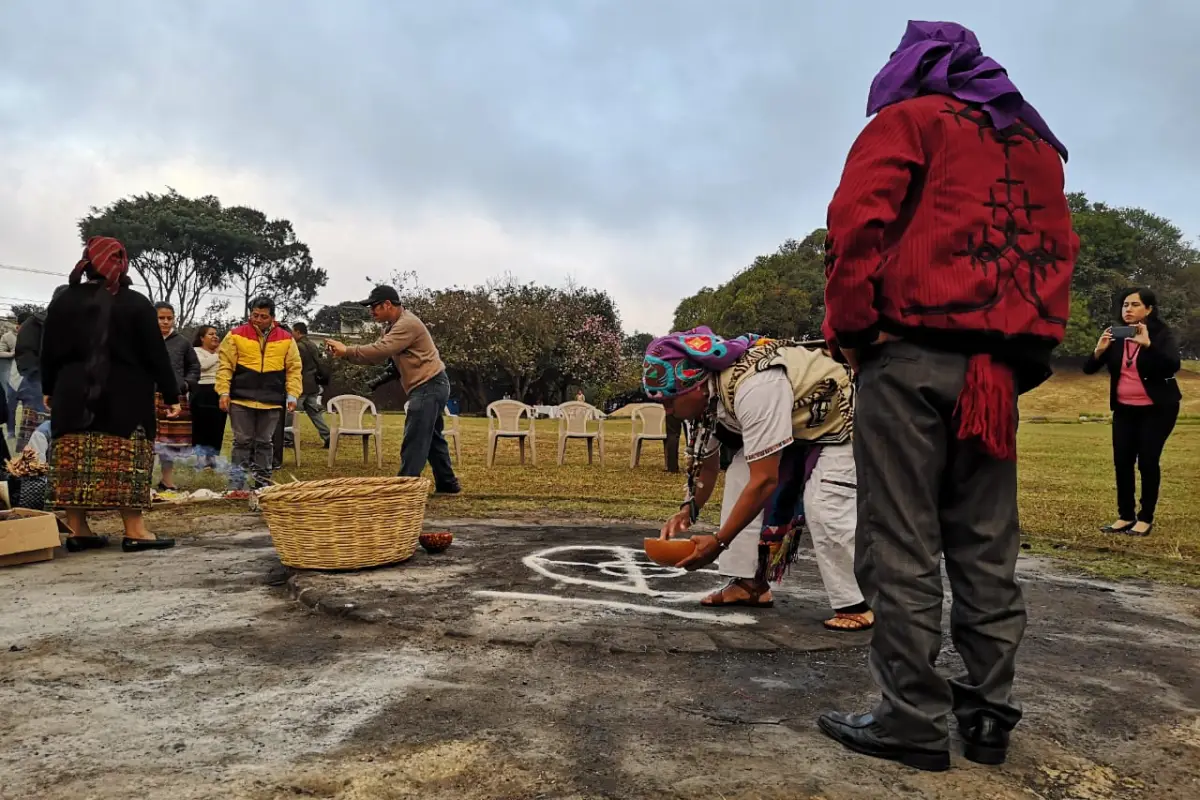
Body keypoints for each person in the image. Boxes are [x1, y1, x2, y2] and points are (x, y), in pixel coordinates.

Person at [816, 21, 1078, 772]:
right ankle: (989, 714)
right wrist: (1024, 347)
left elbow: (855, 225)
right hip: (995, 373)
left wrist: (854, 329)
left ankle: (912, 719)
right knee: (986, 545)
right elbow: (1055, 248)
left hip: (911, 355)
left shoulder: (908, 122)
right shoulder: (1036, 144)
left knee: (899, 541)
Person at [647, 327, 872, 632]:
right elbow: (709, 467)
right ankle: (748, 583)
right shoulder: (706, 404)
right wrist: (689, 509)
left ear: (695, 385)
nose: (668, 409)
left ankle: (857, 602)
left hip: (841, 421)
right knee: (740, 473)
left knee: (825, 503)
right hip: (796, 428)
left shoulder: (755, 385)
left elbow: (765, 480)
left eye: (670, 400)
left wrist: (718, 542)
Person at [41, 236, 180, 552]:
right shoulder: (136, 304)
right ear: (122, 264)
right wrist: (171, 395)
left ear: (88, 262)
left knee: (74, 460)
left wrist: (49, 388)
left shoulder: (64, 300)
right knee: (127, 460)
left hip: (72, 395)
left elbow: (48, 351)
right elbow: (155, 354)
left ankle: (79, 529)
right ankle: (134, 530)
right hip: (126, 398)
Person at [325, 285, 460, 493]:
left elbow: (380, 350)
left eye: (374, 307)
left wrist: (347, 351)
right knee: (432, 438)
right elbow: (382, 356)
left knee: (415, 437)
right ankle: (448, 484)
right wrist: (350, 355)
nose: (371, 311)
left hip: (429, 385)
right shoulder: (392, 326)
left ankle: (404, 488)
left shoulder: (406, 324)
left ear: (388, 304)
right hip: (431, 385)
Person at [1084, 288, 1182, 537]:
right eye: (1125, 305)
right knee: (1122, 461)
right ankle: (1125, 515)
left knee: (1147, 461)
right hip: (1125, 409)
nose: (1127, 309)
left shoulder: (1160, 334)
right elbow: (1088, 369)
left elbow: (1172, 365)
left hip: (1157, 409)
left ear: (1149, 309)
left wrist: (1148, 345)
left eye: (1135, 305)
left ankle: (1145, 518)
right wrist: (1099, 350)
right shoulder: (1116, 336)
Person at [215, 298, 301, 490]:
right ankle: (237, 486)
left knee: (265, 442)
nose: (258, 319)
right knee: (242, 442)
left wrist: (293, 395)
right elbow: (225, 366)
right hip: (240, 398)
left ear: (272, 317)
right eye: (255, 315)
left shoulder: (286, 338)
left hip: (271, 400)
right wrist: (223, 392)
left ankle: (263, 485)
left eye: (263, 316)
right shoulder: (235, 335)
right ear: (249, 314)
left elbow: (294, 368)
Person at [153, 302, 200, 491]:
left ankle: (166, 481)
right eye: (161, 318)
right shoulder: (142, 340)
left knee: (169, 443)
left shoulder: (182, 342)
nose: (165, 322)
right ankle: (141, 482)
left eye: (169, 318)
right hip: (146, 397)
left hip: (174, 399)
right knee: (146, 441)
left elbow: (194, 368)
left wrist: (186, 384)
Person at [190, 325, 226, 469]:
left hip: (218, 390)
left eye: (216, 334)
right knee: (201, 425)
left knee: (217, 424)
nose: (215, 336)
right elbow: (202, 365)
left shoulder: (221, 354)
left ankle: (212, 458)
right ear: (201, 338)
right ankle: (200, 458)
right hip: (201, 390)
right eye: (210, 334)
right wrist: (218, 355)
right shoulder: (195, 351)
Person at [291, 322, 332, 448]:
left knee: (290, 410)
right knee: (314, 412)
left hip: (301, 384)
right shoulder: (312, 345)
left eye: (293, 332)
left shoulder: (298, 347)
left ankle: (287, 438)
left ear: (298, 332)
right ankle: (328, 436)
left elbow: (296, 365)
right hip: (313, 384)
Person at [14, 308, 49, 450]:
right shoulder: (35, 324)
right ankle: (31, 464)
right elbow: (24, 354)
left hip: (42, 380)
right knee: (37, 426)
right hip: (37, 381)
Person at [0, 322, 16, 441]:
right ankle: (10, 431)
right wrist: (12, 354)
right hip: (11, 373)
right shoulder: (8, 337)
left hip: (27, 373)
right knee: (10, 404)